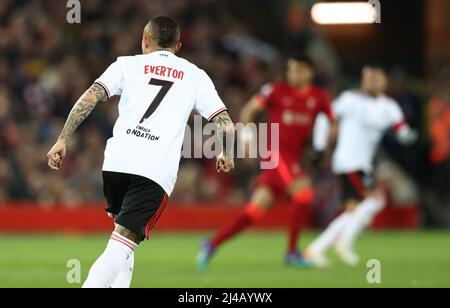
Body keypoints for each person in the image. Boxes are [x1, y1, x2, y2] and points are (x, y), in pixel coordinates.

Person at [47, 16, 235, 288]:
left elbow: (90, 96)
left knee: (122, 236)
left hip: (116, 164)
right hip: (154, 170)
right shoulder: (195, 75)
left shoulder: (126, 64)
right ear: (178, 46)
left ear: (145, 40)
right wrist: (226, 153)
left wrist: (62, 139)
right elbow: (225, 123)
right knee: (121, 245)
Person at [197, 54, 335, 270]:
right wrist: (249, 137)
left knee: (254, 211)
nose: (293, 74)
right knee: (304, 194)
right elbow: (249, 111)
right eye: (291, 69)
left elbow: (332, 122)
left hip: (292, 158)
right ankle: (291, 253)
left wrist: (321, 146)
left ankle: (211, 244)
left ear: (310, 72)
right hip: (275, 153)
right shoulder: (276, 90)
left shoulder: (319, 97)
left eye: (298, 69)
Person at [306, 66, 417, 267]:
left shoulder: (389, 106)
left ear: (384, 82)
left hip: (364, 163)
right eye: (368, 78)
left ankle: (317, 249)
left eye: (376, 78)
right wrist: (320, 147)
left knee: (354, 210)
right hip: (348, 161)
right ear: (363, 80)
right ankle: (343, 242)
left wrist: (410, 136)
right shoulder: (350, 100)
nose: (372, 81)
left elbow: (402, 131)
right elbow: (324, 116)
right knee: (376, 200)